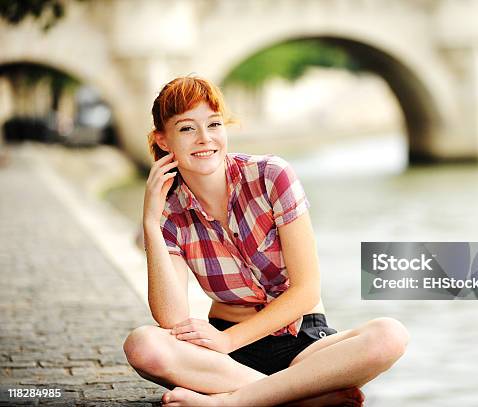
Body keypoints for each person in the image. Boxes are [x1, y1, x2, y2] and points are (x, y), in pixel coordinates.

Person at [122, 76, 410, 407]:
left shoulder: (271, 176)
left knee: (389, 335)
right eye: (187, 128)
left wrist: (227, 341)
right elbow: (172, 319)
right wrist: (150, 223)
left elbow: (306, 291)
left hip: (302, 341)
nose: (205, 138)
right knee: (143, 345)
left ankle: (231, 402)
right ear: (164, 140)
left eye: (214, 124)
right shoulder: (170, 214)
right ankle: (301, 397)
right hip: (227, 358)